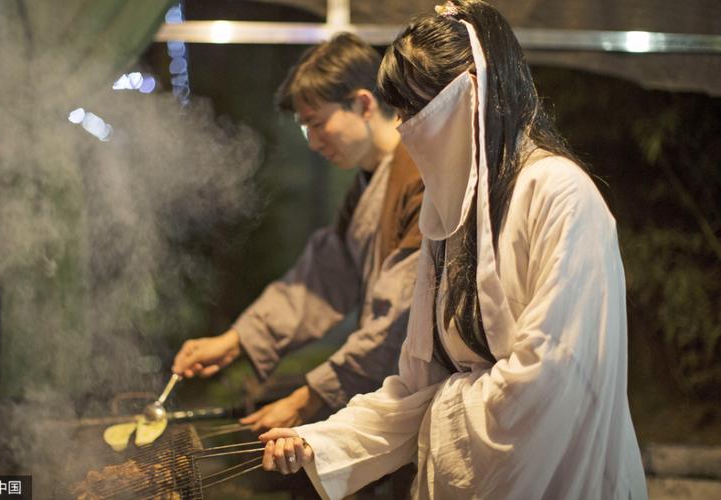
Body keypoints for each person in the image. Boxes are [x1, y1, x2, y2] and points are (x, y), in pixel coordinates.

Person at [258, 1, 649, 498]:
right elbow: (418, 386)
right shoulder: (450, 217)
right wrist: (322, 441)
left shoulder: (558, 193)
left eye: (414, 109)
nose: (403, 128)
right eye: (398, 110)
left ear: (471, 93)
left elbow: (545, 385)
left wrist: (443, 399)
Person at [172, 33, 424, 431]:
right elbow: (321, 281)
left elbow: (401, 316)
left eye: (318, 124)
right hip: (391, 387)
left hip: (421, 394)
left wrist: (311, 397)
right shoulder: (366, 186)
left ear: (362, 103)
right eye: (307, 129)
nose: (314, 143)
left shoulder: (420, 173)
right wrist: (235, 341)